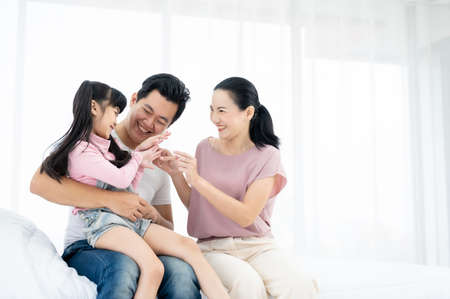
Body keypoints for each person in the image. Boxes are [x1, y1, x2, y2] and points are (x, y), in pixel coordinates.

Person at [30, 74, 202, 299]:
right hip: (88, 244)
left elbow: (167, 228)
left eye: (161, 120)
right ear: (134, 99)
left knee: (181, 272)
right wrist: (111, 199)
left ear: (169, 126)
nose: (149, 123)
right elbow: (40, 183)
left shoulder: (157, 163)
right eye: (147, 111)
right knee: (124, 267)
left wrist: (153, 216)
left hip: (140, 245)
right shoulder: (96, 136)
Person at [157, 77, 319, 298]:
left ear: (249, 113)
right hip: (214, 248)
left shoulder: (267, 155)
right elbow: (198, 206)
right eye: (212, 110)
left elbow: (246, 216)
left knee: (300, 286)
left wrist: (198, 180)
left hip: (258, 245)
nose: (215, 118)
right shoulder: (204, 148)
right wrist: (177, 175)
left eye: (222, 111)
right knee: (247, 284)